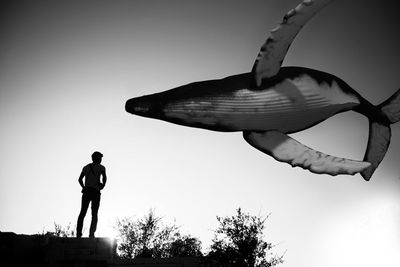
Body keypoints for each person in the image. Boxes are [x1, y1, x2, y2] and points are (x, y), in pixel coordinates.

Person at [76, 151, 107, 238]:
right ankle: (91, 234)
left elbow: (79, 179)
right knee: (94, 214)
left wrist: (83, 187)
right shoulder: (101, 167)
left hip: (86, 191)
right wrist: (102, 186)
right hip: (95, 192)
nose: (101, 160)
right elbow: (104, 178)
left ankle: (78, 233)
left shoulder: (85, 167)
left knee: (82, 212)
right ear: (98, 158)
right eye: (100, 158)